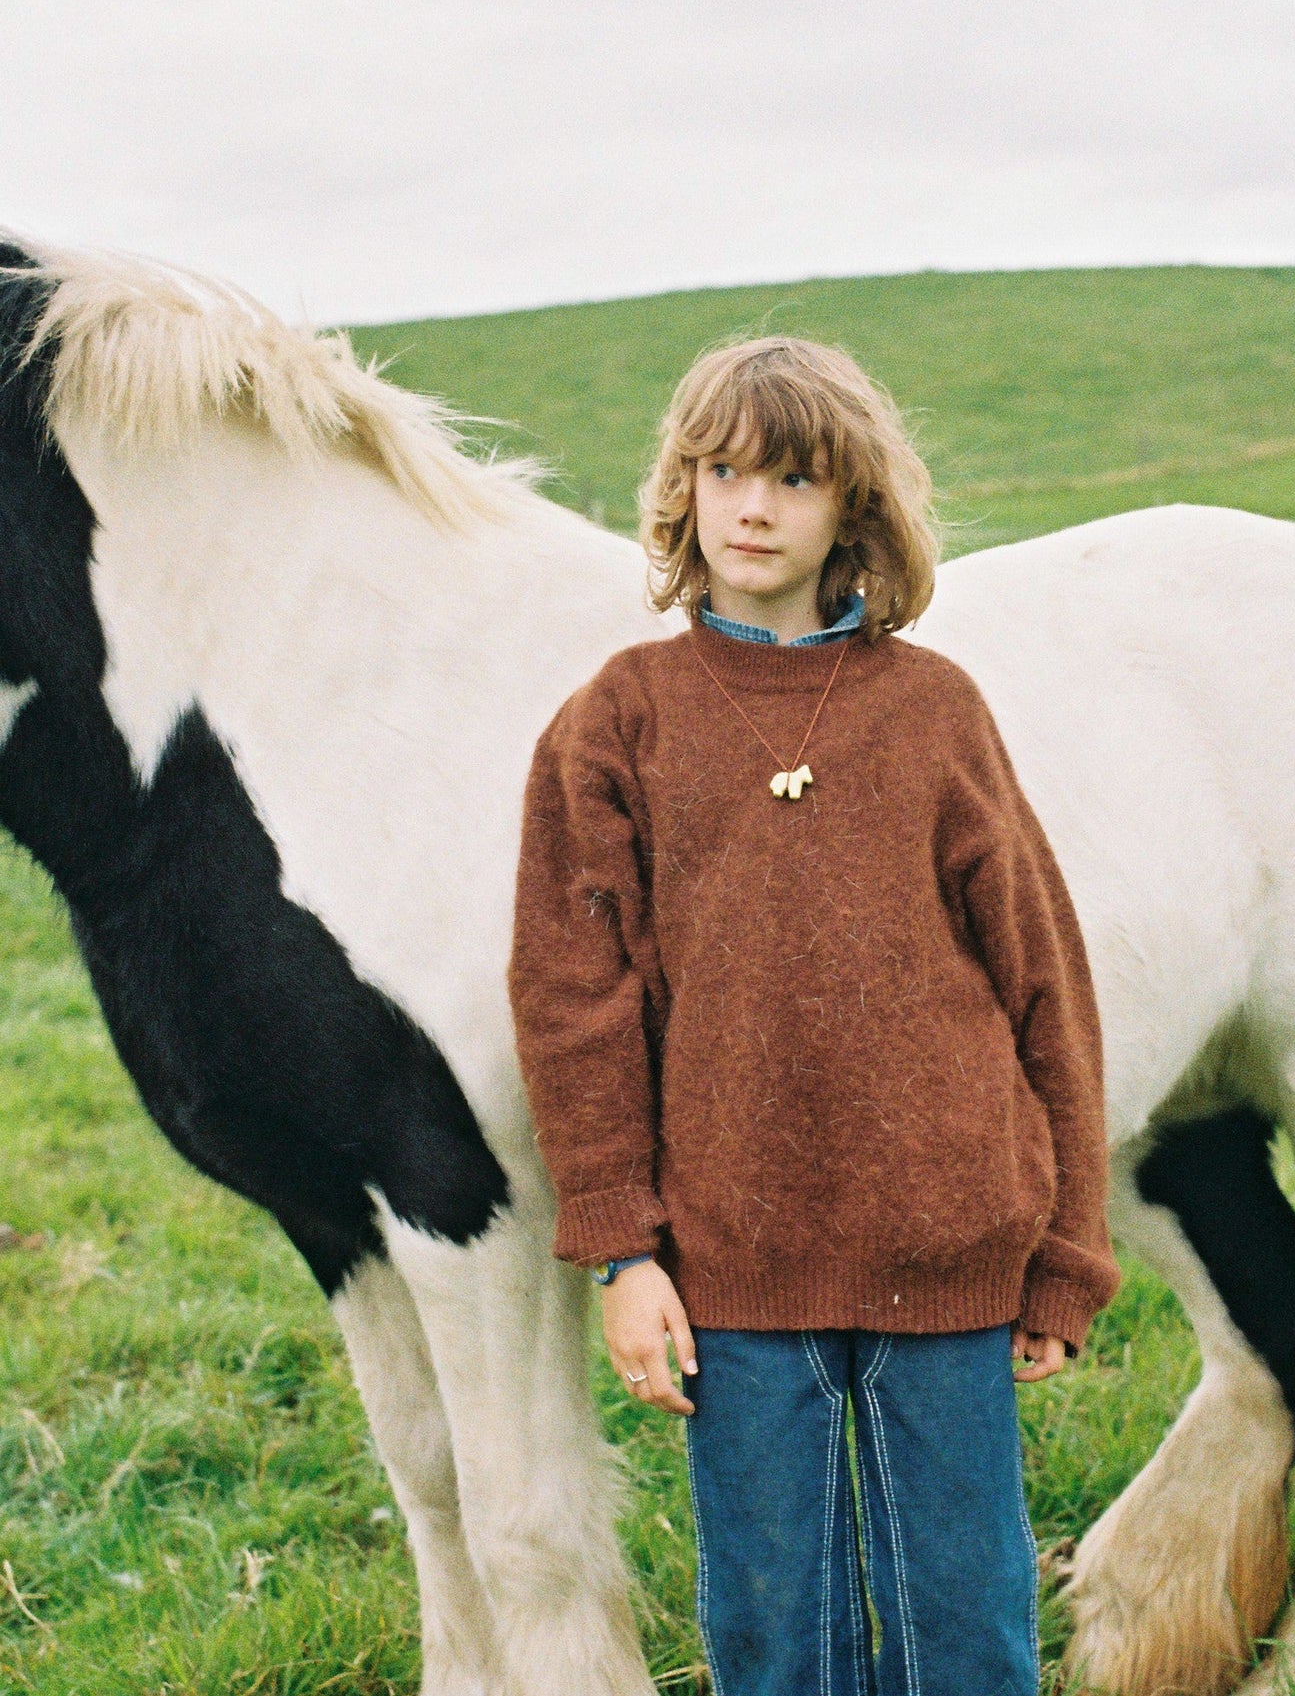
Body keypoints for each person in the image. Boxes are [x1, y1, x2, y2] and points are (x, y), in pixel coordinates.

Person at [507, 335, 1121, 1696]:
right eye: (721, 469)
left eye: (792, 476)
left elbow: (1043, 986)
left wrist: (1066, 1244)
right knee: (776, 1636)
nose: (751, 506)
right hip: (730, 1257)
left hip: (949, 1239)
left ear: (854, 506)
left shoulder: (934, 709)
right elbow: (571, 1004)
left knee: (968, 1624)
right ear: (681, 489)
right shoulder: (616, 721)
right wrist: (626, 1250)